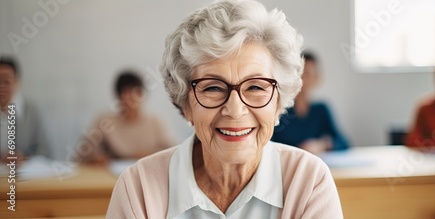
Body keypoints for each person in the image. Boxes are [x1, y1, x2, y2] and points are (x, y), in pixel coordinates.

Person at [106, 1, 343, 218]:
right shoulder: (138, 189)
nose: (235, 109)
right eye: (212, 88)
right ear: (186, 105)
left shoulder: (309, 182)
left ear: (278, 103)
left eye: (255, 86)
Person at [81, 70, 174, 165]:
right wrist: (95, 158)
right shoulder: (105, 121)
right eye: (126, 93)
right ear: (118, 97)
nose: (132, 99)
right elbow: (82, 154)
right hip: (112, 176)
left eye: (137, 93)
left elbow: (174, 151)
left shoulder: (154, 121)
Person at [272, 51, 350, 154]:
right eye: (301, 74)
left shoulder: (321, 110)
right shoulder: (281, 110)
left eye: (308, 74)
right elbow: (270, 144)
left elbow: (343, 143)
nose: (303, 80)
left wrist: (322, 145)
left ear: (317, 78)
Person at [0, 56, 50, 162]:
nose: (2, 86)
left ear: (16, 82)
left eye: (6, 80)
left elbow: (45, 151)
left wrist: (25, 157)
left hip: (26, 174)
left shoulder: (31, 111)